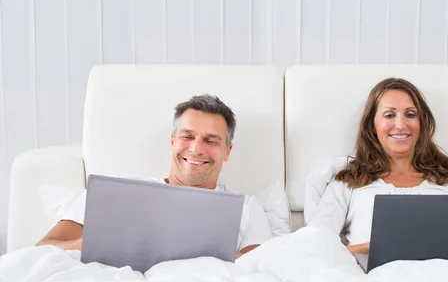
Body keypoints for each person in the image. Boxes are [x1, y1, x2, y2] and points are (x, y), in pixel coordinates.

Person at [309, 78, 448, 270]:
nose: (401, 125)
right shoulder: (348, 183)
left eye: (410, 115)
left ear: (422, 123)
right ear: (373, 126)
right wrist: (367, 248)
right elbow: (312, 251)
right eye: (389, 115)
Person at [35, 95, 271, 258]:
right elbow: (42, 249)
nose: (196, 149)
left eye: (211, 141)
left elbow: (260, 270)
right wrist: (99, 242)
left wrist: (205, 248)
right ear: (172, 141)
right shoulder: (116, 194)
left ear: (226, 151)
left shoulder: (247, 208)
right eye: (187, 136)